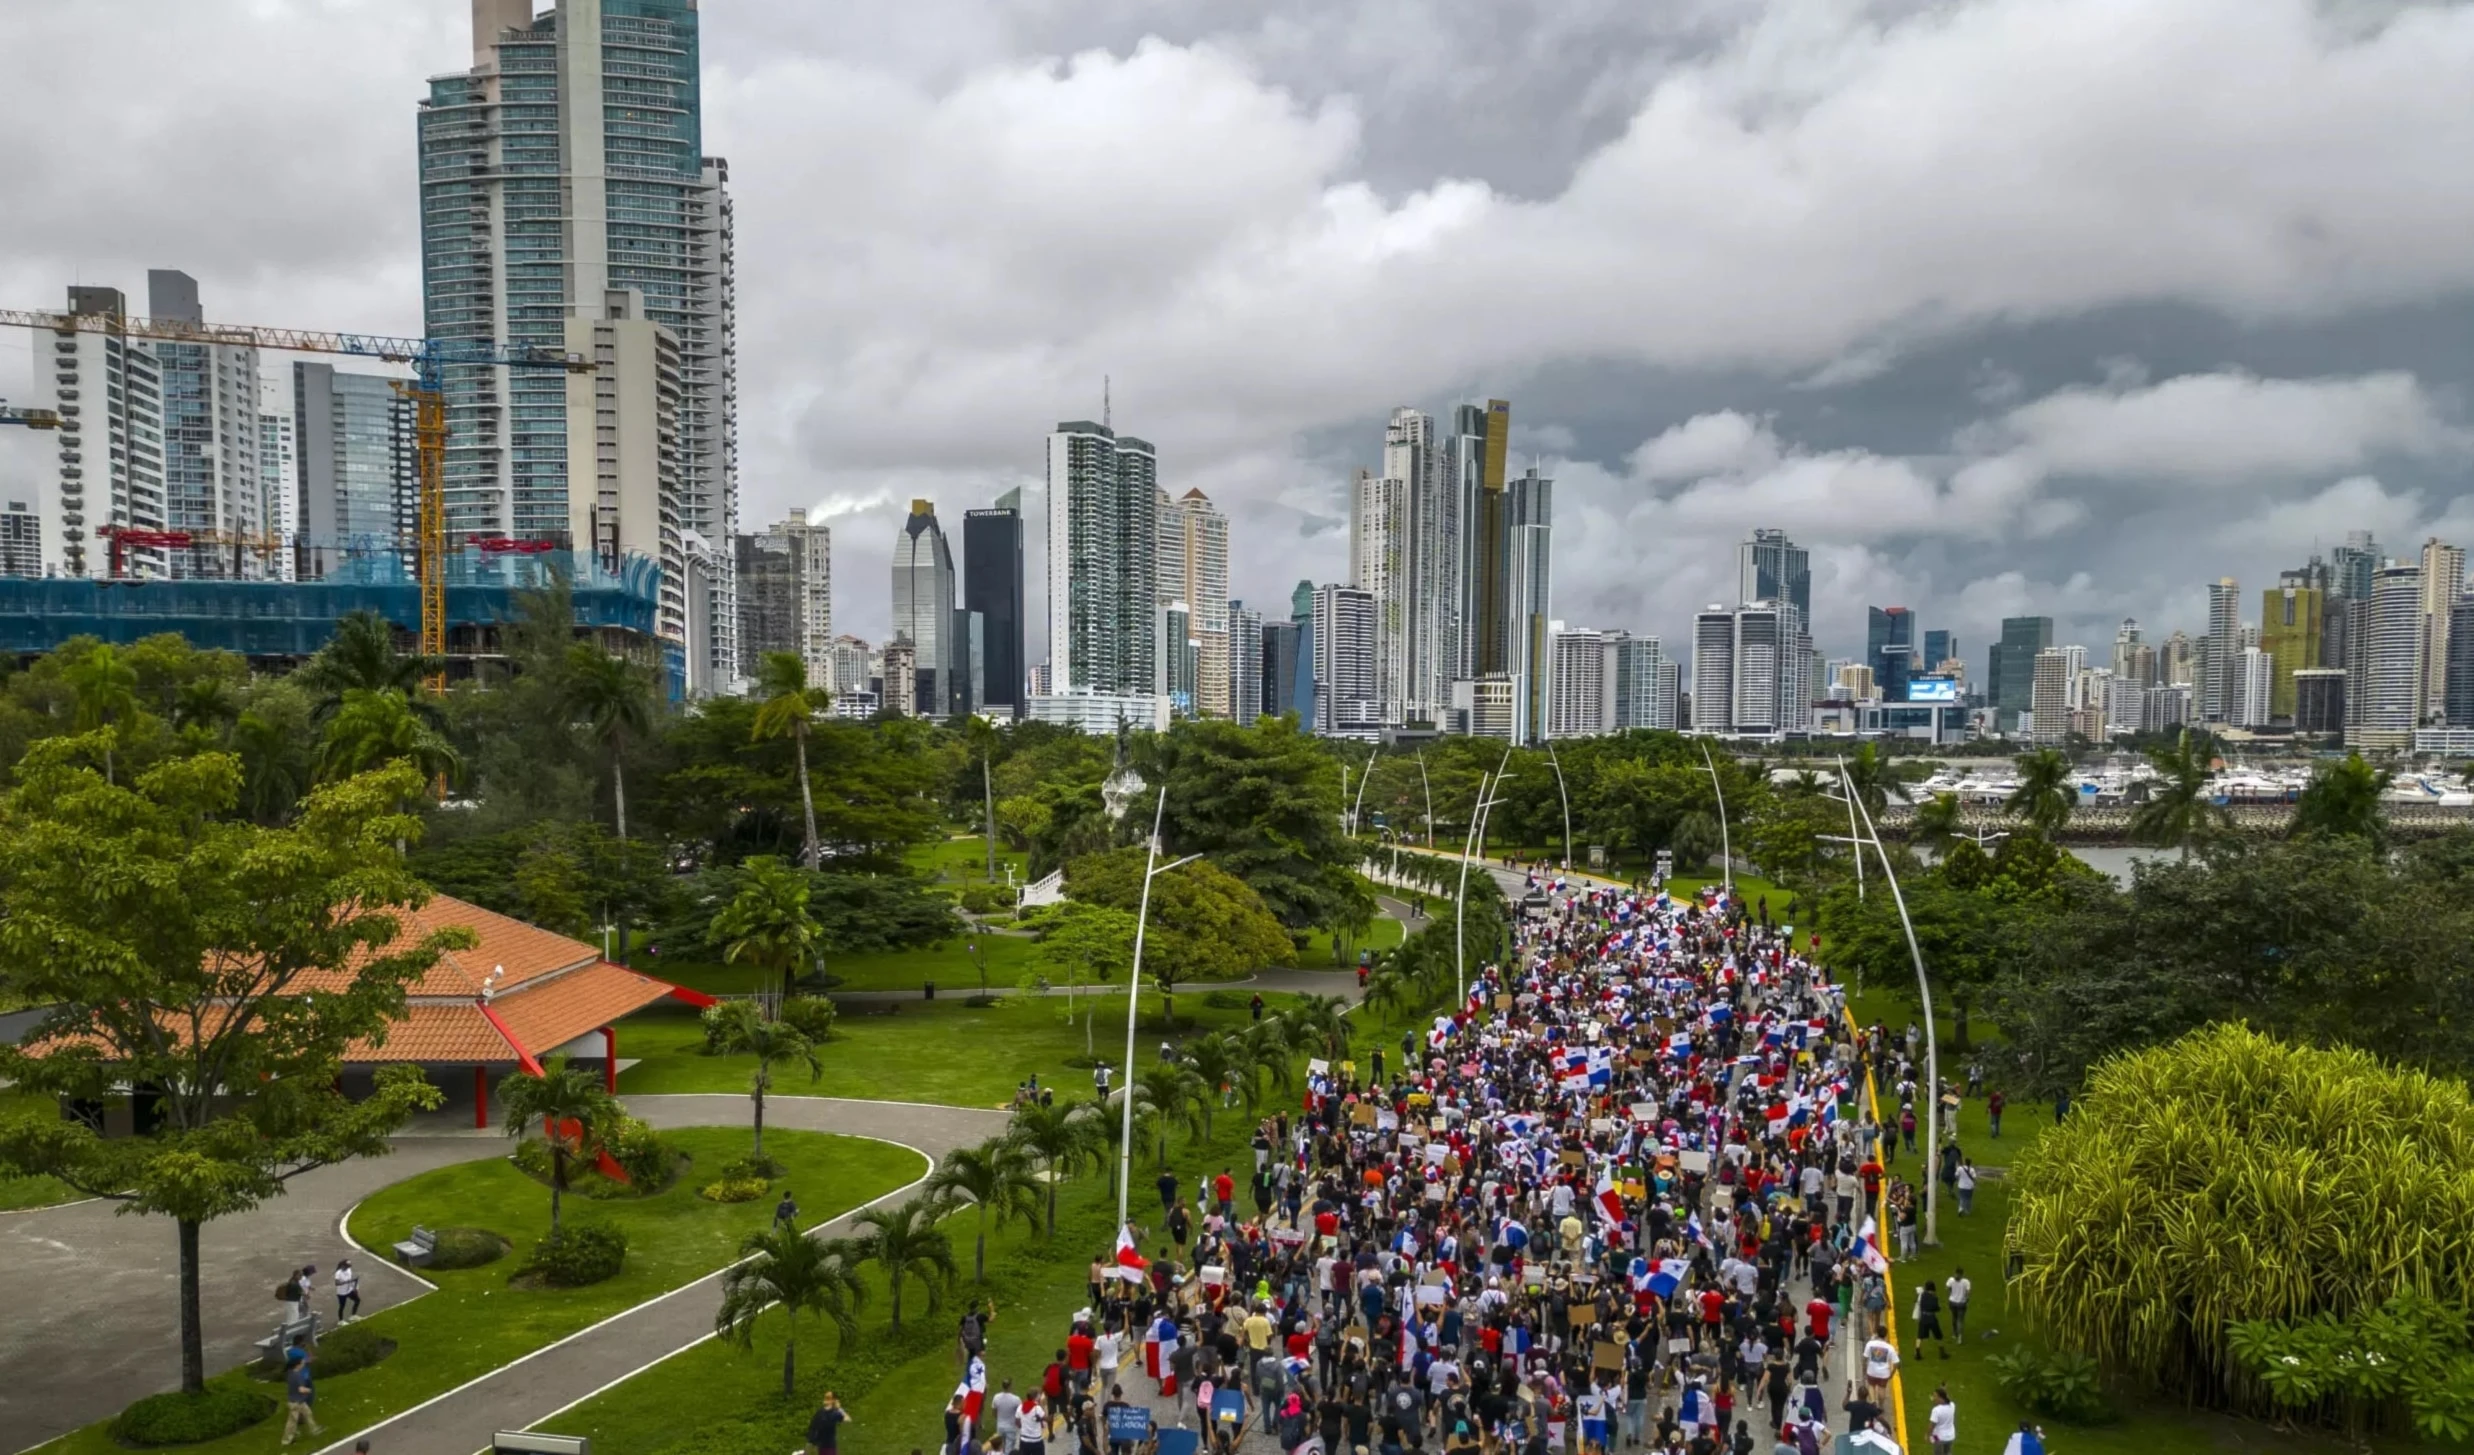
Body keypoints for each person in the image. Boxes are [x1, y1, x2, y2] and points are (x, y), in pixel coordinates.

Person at [279, 1346, 323, 1446]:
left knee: (308, 1414)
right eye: (302, 1362)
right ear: (297, 1365)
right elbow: (300, 1389)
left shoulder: (290, 1373)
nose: (304, 1363)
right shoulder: (297, 1375)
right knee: (292, 1422)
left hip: (299, 1401)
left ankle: (314, 1430)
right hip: (296, 1403)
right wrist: (308, 1390)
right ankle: (286, 1440)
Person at [1911, 1280, 1947, 1360]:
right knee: (1938, 1335)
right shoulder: (1934, 1298)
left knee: (1920, 1335)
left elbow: (1918, 1303)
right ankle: (1942, 1353)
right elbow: (1936, 1308)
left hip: (1923, 1317)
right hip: (1931, 1318)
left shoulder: (1922, 1295)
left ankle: (1917, 1352)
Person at [1859, 1335, 1899, 1400]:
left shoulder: (1870, 1344)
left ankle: (1873, 1402)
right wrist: (1892, 1373)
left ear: (1877, 1335)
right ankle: (1881, 1407)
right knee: (1882, 1389)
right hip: (1884, 1374)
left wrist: (1864, 1368)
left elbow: (1864, 1358)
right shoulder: (1890, 1348)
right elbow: (1896, 1363)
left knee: (1871, 1386)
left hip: (1871, 1371)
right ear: (1886, 1336)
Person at [1946, 1269, 1974, 1343]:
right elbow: (1968, 1292)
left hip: (1952, 1302)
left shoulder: (1951, 1280)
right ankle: (1959, 1336)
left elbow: (1948, 1288)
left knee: (1954, 1318)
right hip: (1961, 1303)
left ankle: (1955, 1334)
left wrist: (1952, 1293)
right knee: (1960, 1320)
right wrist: (1967, 1298)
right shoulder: (1966, 1282)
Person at [1926, 1387, 1956, 1455]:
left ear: (1941, 1398)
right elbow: (1948, 1399)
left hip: (1938, 1438)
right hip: (1950, 1437)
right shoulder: (1952, 1405)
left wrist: (1927, 1435)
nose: (1933, 1398)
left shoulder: (1936, 1410)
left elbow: (1931, 1425)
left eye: (1935, 1396)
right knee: (1947, 1453)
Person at [333, 1258, 360, 1324]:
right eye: (347, 1266)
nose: (348, 1267)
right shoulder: (338, 1273)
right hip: (342, 1293)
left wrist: (355, 1288)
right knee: (342, 1306)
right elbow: (336, 1283)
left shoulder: (349, 1270)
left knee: (357, 1300)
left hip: (349, 1290)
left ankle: (353, 1316)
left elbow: (351, 1279)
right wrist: (347, 1282)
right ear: (343, 1265)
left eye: (349, 1266)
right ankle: (341, 1321)